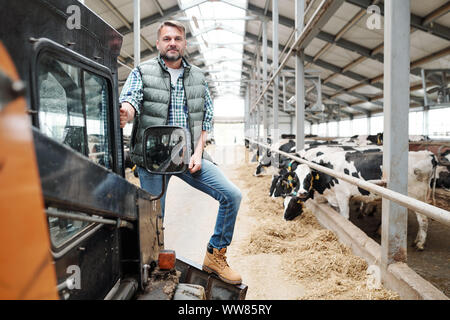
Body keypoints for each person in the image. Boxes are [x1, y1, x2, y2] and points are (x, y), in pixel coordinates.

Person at [119, 21, 242, 285]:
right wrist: (125, 112)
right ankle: (152, 268)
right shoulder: (143, 71)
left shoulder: (197, 76)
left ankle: (215, 255)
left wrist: (198, 152)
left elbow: (205, 118)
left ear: (185, 43)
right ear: (158, 43)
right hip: (152, 160)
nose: (172, 43)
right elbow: (131, 99)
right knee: (153, 222)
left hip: (187, 156)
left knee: (231, 195)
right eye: (166, 39)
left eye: (177, 38)